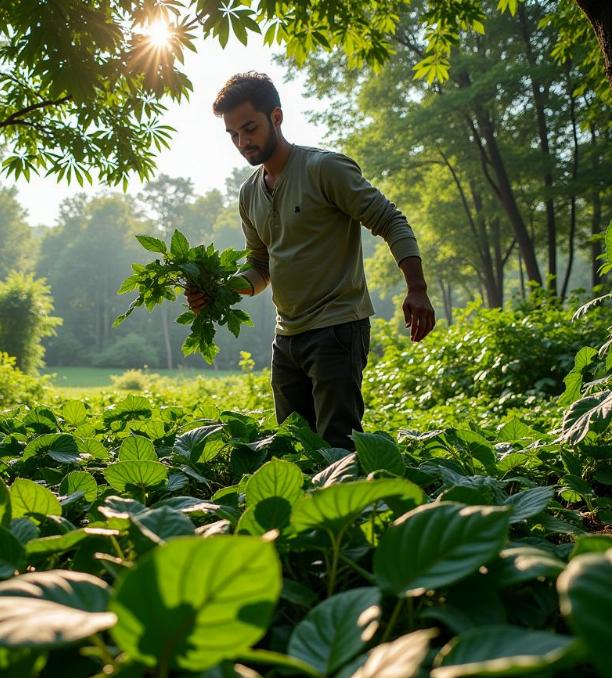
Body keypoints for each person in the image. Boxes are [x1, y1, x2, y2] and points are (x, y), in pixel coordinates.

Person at [186, 72, 435, 449]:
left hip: (337, 328)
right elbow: (261, 266)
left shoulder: (324, 169)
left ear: (276, 117)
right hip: (286, 338)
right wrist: (219, 291)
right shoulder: (248, 193)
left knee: (337, 444)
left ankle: (352, 506)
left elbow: (390, 219)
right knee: (295, 445)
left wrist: (416, 287)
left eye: (249, 128)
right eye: (234, 134)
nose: (242, 142)